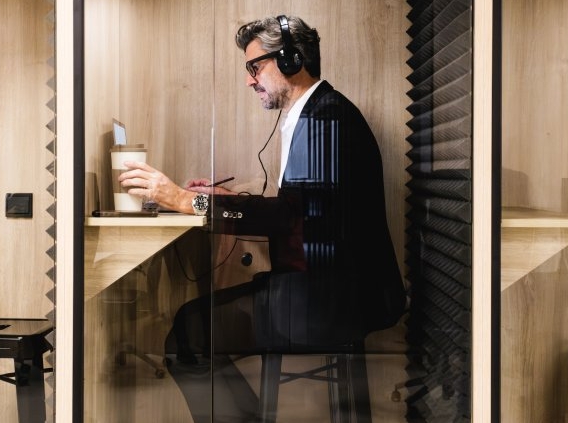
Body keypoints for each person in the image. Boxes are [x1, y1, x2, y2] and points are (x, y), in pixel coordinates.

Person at [118, 15, 405, 422]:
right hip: (329, 287)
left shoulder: (323, 121)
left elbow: (289, 216)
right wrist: (227, 199)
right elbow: (306, 208)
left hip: (331, 301)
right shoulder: (317, 113)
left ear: (291, 60)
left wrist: (185, 201)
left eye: (255, 67)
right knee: (192, 325)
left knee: (189, 331)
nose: (250, 80)